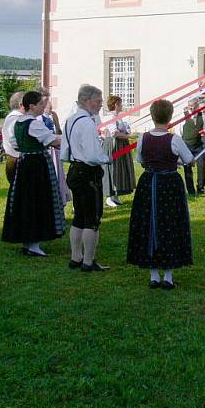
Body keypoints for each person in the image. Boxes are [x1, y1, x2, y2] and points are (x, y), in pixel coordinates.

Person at [127, 99, 194, 290]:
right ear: (170, 116)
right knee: (170, 224)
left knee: (149, 223)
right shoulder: (174, 139)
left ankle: (154, 275)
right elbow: (188, 158)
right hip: (169, 185)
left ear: (152, 115)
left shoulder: (143, 138)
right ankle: (168, 276)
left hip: (148, 183)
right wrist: (176, 162)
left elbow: (140, 159)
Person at [1, 91, 65, 256]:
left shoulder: (19, 122)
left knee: (25, 201)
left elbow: (16, 144)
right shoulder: (33, 123)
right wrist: (70, 139)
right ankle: (34, 243)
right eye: (41, 104)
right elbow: (52, 140)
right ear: (32, 106)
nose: (43, 107)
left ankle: (28, 241)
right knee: (37, 201)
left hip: (24, 164)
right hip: (36, 166)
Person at [61, 84, 112, 272]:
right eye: (98, 101)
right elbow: (92, 155)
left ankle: (76, 257)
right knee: (92, 219)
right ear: (86, 101)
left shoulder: (71, 120)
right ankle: (88, 261)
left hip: (74, 170)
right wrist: (106, 158)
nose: (100, 105)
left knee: (79, 217)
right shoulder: (87, 123)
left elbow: (65, 150)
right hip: (88, 173)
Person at [101, 95, 136, 206]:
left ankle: (115, 195)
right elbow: (114, 133)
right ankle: (109, 196)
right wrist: (129, 136)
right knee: (113, 168)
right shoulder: (110, 117)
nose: (121, 106)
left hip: (120, 145)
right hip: (113, 145)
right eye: (120, 104)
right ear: (116, 104)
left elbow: (123, 129)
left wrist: (127, 133)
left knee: (120, 169)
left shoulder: (118, 117)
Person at [181, 99, 205, 196]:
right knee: (187, 169)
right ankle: (191, 191)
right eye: (189, 105)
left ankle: (201, 188)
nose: (191, 107)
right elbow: (180, 131)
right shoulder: (184, 116)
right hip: (186, 146)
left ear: (197, 105)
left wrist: (204, 132)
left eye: (192, 105)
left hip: (198, 145)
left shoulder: (202, 116)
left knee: (201, 167)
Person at [2, 91, 25, 184]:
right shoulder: (15, 118)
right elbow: (14, 140)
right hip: (16, 159)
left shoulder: (17, 117)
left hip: (17, 158)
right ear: (21, 104)